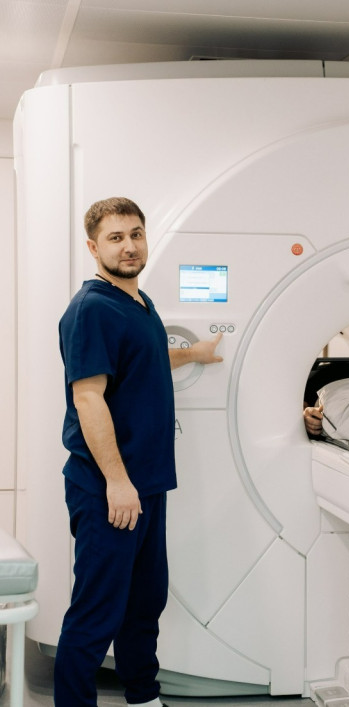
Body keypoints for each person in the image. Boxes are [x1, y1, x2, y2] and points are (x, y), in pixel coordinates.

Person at [54, 197, 223, 707]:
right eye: (115, 238)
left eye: (136, 234)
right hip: (108, 487)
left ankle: (143, 697)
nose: (129, 246)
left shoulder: (139, 302)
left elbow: (143, 357)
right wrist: (117, 481)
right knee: (97, 611)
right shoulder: (91, 310)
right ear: (93, 248)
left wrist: (193, 354)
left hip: (146, 483)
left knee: (145, 601)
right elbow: (88, 398)